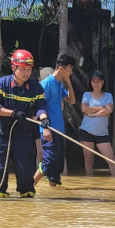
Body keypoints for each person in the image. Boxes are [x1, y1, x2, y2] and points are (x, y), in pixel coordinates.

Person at [0, 49, 51, 198]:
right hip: (2, 133)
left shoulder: (36, 88)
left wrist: (44, 119)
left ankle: (26, 196)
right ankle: (0, 191)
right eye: (23, 69)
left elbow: (41, 106)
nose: (26, 73)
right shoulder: (0, 84)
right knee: (0, 167)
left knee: (26, 170)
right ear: (13, 68)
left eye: (29, 70)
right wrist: (12, 113)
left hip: (23, 134)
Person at [33, 54, 76, 187]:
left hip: (59, 128)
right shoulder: (46, 84)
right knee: (49, 162)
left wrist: (68, 81)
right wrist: (45, 127)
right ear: (61, 68)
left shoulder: (58, 84)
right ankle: (30, 184)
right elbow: (39, 106)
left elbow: (72, 101)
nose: (71, 72)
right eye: (69, 69)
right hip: (48, 129)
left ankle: (54, 194)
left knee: (57, 165)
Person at [79, 70, 115, 177]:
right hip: (87, 131)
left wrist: (93, 114)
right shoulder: (86, 95)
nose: (96, 84)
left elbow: (109, 110)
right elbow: (84, 108)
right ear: (91, 82)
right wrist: (101, 108)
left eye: (98, 81)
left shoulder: (108, 95)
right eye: (93, 81)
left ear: (103, 82)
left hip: (102, 133)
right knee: (88, 159)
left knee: (111, 158)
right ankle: (90, 182)